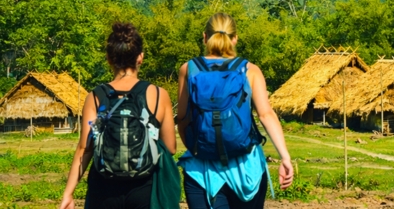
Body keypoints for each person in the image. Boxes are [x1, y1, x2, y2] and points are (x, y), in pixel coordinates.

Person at [176, 13, 294, 208]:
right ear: (235, 38)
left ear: (205, 37)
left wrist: (197, 149)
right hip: (247, 170)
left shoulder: (189, 69)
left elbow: (183, 119)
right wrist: (285, 157)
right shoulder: (250, 70)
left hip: (202, 171)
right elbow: (266, 115)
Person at [60, 22, 178, 209]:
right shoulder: (158, 94)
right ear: (140, 57)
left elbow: (85, 149)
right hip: (144, 189)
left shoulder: (95, 97)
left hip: (104, 190)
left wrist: (68, 193)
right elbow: (171, 148)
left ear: (108, 58)